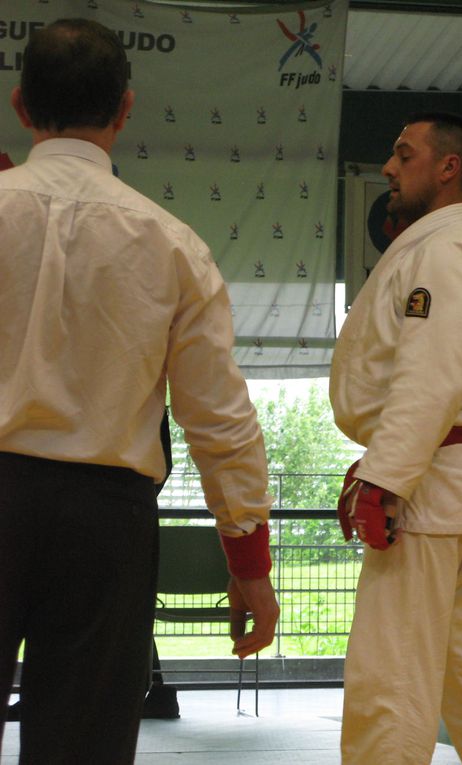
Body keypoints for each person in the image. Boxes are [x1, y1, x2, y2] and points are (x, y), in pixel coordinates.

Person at [0, 19, 279, 764]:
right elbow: (218, 416)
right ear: (126, 109)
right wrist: (248, 557)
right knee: (82, 749)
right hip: (106, 521)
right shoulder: (171, 244)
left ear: (22, 106)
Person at [330, 113, 462, 764]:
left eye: (404, 154)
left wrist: (388, 476)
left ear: (448, 167)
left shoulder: (447, 250)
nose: (389, 169)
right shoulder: (454, 247)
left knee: (389, 676)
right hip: (452, 477)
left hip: (431, 481)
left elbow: (432, 374)